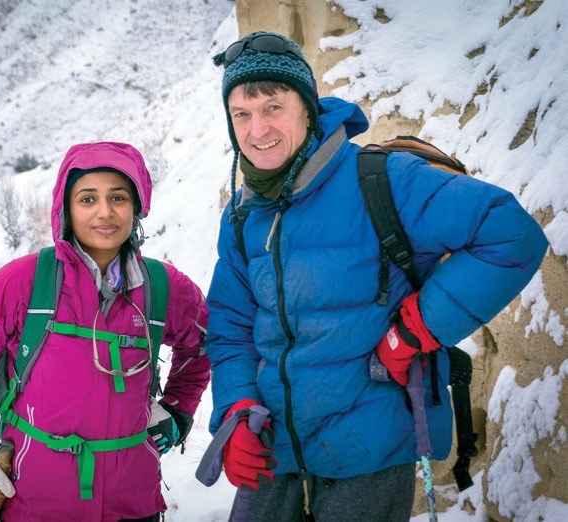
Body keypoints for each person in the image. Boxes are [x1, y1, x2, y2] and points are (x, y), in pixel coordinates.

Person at [205, 31, 548, 521]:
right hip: (272, 450)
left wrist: (418, 328)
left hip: (367, 455)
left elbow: (511, 233)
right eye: (242, 114)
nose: (258, 129)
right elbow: (231, 329)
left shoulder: (385, 179)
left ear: (307, 108)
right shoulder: (242, 215)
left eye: (273, 108)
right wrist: (235, 410)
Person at [0, 141, 210, 522]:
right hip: (34, 504)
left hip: (134, 504)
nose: (104, 212)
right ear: (65, 208)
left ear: (137, 207)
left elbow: (205, 347)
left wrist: (178, 410)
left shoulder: (163, 287)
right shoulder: (25, 282)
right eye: (87, 199)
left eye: (118, 197)